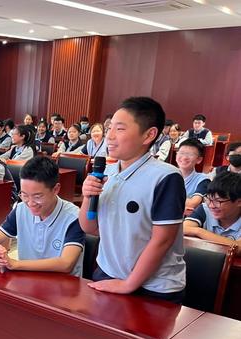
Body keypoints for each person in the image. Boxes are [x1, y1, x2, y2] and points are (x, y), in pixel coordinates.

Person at [79, 96, 186, 303]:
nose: (109, 136)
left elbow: (163, 240)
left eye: (119, 129)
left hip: (153, 287)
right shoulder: (107, 173)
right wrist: (87, 196)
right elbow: (89, 227)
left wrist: (129, 284)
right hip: (109, 273)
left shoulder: (166, 177)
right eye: (109, 128)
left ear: (149, 135)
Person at [0, 156, 85, 275]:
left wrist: (15, 264)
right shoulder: (21, 209)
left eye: (38, 197)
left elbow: (66, 264)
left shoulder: (73, 217)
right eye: (24, 195)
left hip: (63, 286)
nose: (30, 203)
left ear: (56, 189)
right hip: (27, 280)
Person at [184, 172, 241, 245]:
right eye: (209, 199)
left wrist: (199, 232)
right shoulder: (205, 209)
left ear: (239, 202)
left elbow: (238, 247)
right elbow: (184, 229)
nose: (211, 206)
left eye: (218, 201)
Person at [175, 138, 210, 215]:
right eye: (181, 153)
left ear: (199, 159)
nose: (184, 157)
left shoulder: (203, 180)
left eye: (190, 154)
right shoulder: (165, 174)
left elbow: (192, 204)